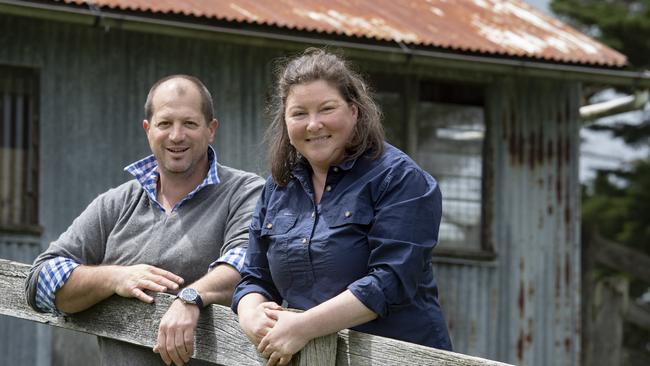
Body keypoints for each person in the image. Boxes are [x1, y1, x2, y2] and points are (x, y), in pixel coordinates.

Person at [232, 49, 453, 366]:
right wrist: (250, 312)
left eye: (326, 109)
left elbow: (389, 282)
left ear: (354, 111)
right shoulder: (277, 188)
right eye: (298, 113)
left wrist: (303, 327)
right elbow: (254, 277)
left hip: (399, 357)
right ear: (284, 122)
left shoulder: (401, 179)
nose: (313, 124)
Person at [24, 75, 264, 366]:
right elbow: (39, 283)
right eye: (165, 124)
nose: (176, 136)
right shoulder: (114, 205)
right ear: (148, 130)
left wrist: (191, 298)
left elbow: (248, 263)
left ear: (211, 129)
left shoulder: (246, 192)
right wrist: (116, 277)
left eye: (189, 123)